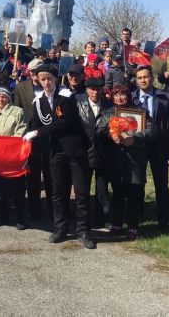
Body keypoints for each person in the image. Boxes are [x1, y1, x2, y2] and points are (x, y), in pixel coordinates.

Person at [23, 65, 96, 249]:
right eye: (42, 79)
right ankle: (60, 228)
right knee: (58, 192)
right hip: (55, 152)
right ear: (38, 80)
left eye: (49, 78)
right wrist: (33, 137)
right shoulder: (38, 101)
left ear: (55, 79)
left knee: (81, 192)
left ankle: (83, 230)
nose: (46, 82)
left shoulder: (66, 97)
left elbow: (65, 122)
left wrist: (37, 132)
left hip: (74, 150)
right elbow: (38, 124)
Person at [98, 85, 156, 241]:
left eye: (122, 94)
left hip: (135, 160)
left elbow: (152, 130)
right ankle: (117, 225)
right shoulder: (108, 112)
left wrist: (135, 138)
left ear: (128, 96)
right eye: (116, 95)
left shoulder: (140, 112)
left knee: (134, 195)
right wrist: (111, 135)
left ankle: (133, 227)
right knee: (117, 194)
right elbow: (99, 130)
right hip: (116, 159)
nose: (119, 98)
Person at [132, 65, 169, 232]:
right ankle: (139, 215)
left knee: (161, 184)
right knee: (138, 183)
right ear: (136, 80)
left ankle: (164, 219)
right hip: (138, 146)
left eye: (146, 77)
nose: (143, 80)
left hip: (160, 147)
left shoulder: (166, 97)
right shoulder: (131, 98)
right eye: (140, 77)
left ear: (152, 78)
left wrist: (168, 140)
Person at [13, 58, 52, 222]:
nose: (37, 75)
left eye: (40, 71)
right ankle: (34, 209)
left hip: (49, 138)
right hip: (30, 139)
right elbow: (17, 111)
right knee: (33, 177)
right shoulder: (21, 87)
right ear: (30, 72)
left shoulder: (50, 86)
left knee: (51, 177)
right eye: (35, 72)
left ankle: (53, 210)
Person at [0, 87, 29, 230]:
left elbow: (21, 131)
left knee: (17, 188)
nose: (1, 99)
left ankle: (20, 217)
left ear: (9, 98)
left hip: (12, 157)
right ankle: (2, 216)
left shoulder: (17, 112)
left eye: (4, 96)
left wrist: (9, 147)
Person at [76, 76, 113, 228]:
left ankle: (102, 219)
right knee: (82, 190)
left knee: (102, 189)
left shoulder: (109, 107)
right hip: (83, 153)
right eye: (92, 89)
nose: (95, 92)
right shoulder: (77, 104)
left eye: (98, 89)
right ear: (86, 90)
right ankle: (82, 220)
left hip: (103, 154)